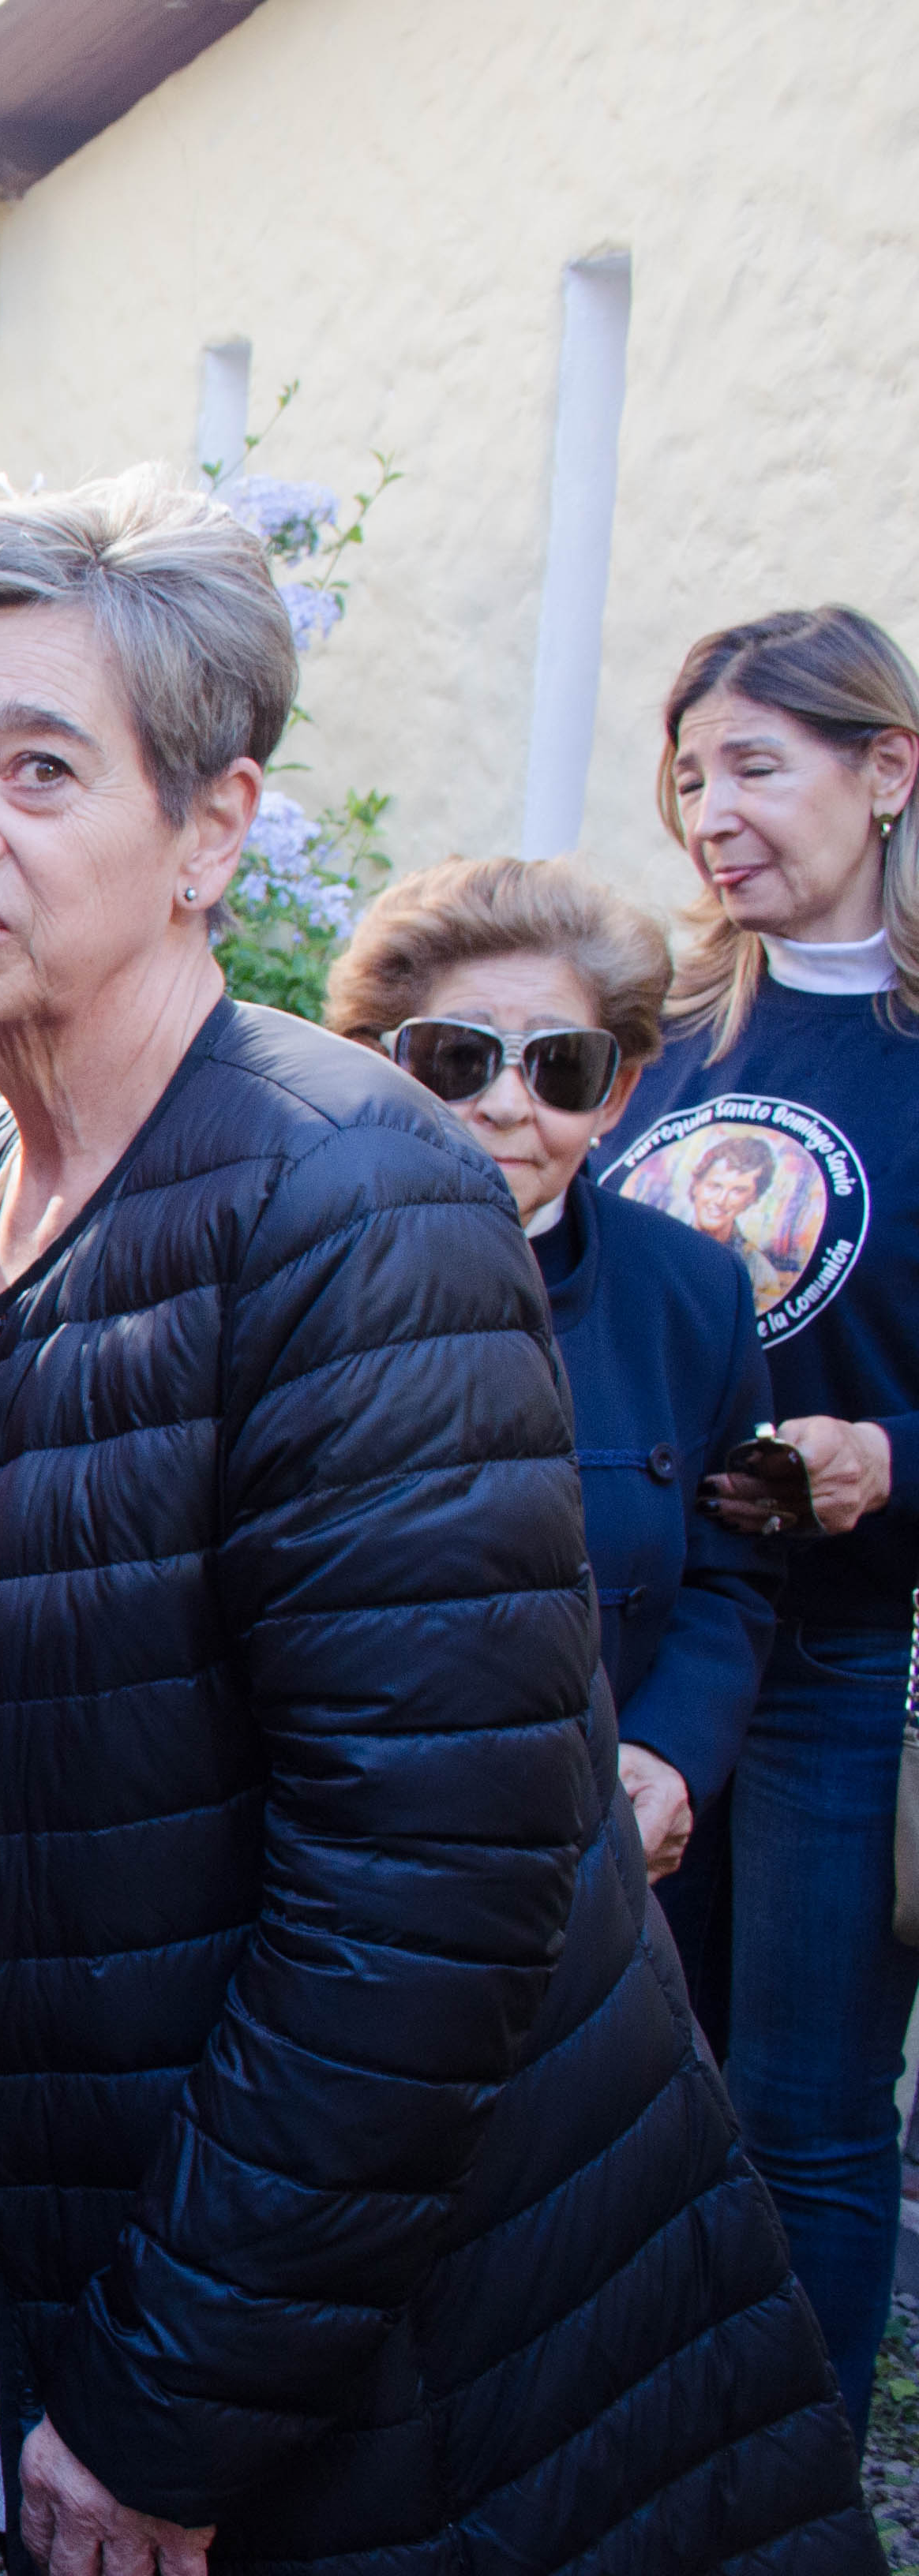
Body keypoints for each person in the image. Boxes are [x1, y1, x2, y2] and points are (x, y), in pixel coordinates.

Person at [0, 470, 868, 2575]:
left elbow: (429, 1889)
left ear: (212, 828)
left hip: (429, 2365)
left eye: (42, 768)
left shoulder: (351, 1199)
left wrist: (169, 2402)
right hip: (178, 2252)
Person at [601, 606, 919, 2428]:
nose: (712, 809)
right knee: (647, 2082)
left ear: (887, 772)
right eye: (693, 770)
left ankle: (779, 2485)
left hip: (837, 1657)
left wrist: (892, 1454)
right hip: (644, 1639)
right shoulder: (656, 1030)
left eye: (758, 766)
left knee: (801, 2108)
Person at [322, 859, 775, 1905]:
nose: (509, 1106)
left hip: (604, 1873)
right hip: (352, 1855)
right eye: (458, 1059)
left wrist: (668, 1753)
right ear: (374, 1063)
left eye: (561, 1067)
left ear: (616, 1092)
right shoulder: (286, 1271)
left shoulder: (692, 1294)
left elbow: (731, 1573)